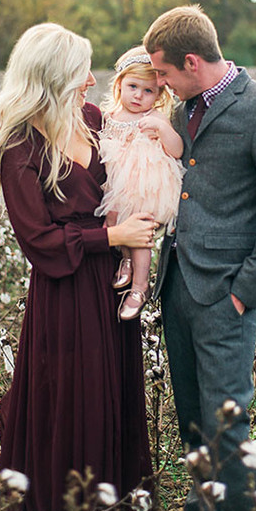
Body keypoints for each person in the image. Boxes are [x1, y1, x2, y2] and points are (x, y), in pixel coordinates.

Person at [0, 23, 155, 511]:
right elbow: (39, 243)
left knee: (112, 390)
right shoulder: (19, 148)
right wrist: (113, 239)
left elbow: (138, 159)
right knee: (75, 394)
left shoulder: (93, 117)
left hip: (110, 283)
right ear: (53, 78)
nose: (92, 80)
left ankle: (112, 507)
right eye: (81, 72)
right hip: (65, 289)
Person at [143, 6, 256, 511]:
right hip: (177, 285)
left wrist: (243, 295)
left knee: (227, 419)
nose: (159, 83)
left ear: (192, 61)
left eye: (163, 72)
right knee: (191, 414)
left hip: (226, 295)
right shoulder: (184, 108)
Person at [95, 46, 184, 320]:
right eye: (133, 86)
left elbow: (177, 149)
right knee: (114, 222)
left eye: (148, 91)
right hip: (114, 182)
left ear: (158, 96)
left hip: (145, 183)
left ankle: (140, 286)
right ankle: (126, 260)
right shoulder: (107, 117)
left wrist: (162, 130)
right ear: (119, 84)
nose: (138, 96)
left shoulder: (154, 117)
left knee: (140, 234)